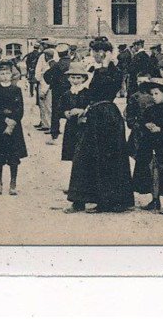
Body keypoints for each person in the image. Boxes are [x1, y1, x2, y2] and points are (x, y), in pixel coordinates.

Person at [65, 37, 134, 214]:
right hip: (93, 115)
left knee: (108, 158)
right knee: (82, 156)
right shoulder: (93, 69)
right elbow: (86, 93)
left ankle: (109, 201)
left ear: (107, 53)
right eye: (94, 51)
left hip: (108, 116)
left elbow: (106, 90)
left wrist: (104, 65)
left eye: (99, 51)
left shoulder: (115, 71)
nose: (96, 54)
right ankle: (79, 200)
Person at [131, 79, 163, 215]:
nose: (154, 97)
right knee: (151, 170)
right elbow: (142, 121)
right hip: (151, 144)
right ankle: (155, 199)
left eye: (157, 94)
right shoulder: (150, 109)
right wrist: (147, 125)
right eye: (152, 94)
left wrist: (160, 129)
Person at [0, 59, 27, 196]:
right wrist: (4, 119)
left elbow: (20, 109)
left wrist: (13, 121)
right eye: (2, 73)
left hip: (14, 128)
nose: (5, 76)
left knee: (13, 156)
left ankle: (13, 183)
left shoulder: (16, 90)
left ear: (12, 74)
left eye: (7, 73)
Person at [59, 61, 91, 165]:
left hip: (83, 126)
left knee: (83, 153)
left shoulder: (87, 93)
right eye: (73, 77)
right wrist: (65, 112)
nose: (75, 81)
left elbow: (91, 106)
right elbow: (60, 108)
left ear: (83, 79)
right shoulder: (66, 94)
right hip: (71, 126)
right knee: (73, 153)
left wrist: (82, 111)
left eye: (78, 78)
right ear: (68, 78)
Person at [44, 43, 71, 145]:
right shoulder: (73, 63)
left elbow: (46, 75)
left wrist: (52, 83)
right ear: (68, 52)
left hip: (58, 90)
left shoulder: (56, 65)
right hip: (71, 89)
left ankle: (54, 136)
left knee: (56, 113)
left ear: (58, 54)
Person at [35, 46, 56, 132]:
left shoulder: (51, 64)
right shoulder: (50, 63)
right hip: (44, 85)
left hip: (46, 86)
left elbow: (46, 78)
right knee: (43, 106)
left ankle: (48, 125)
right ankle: (45, 124)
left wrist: (43, 90)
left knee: (47, 106)